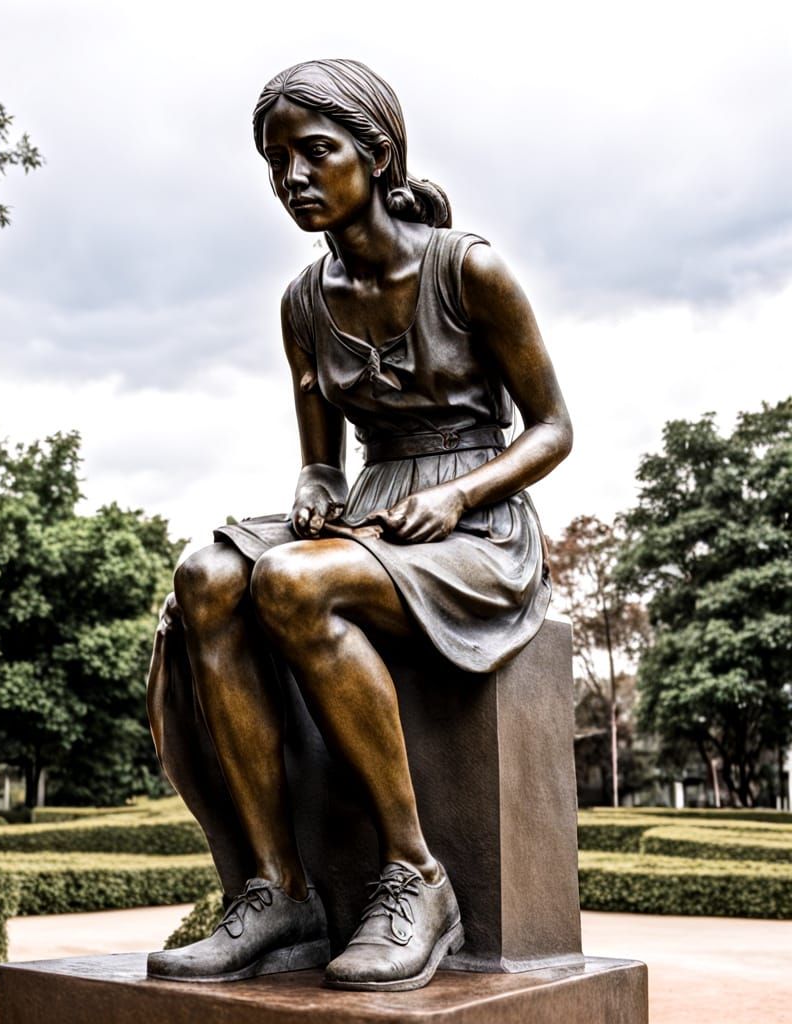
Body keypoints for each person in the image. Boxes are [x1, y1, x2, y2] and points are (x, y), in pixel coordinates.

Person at [145, 58, 572, 992]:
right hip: (375, 513)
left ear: (376, 155)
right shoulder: (304, 302)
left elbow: (553, 430)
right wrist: (314, 486)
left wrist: (460, 495)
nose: (292, 177)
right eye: (276, 162)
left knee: (292, 581)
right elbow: (321, 460)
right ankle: (277, 891)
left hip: (479, 524)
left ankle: (419, 875)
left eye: (315, 152)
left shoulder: (468, 268)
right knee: (206, 576)